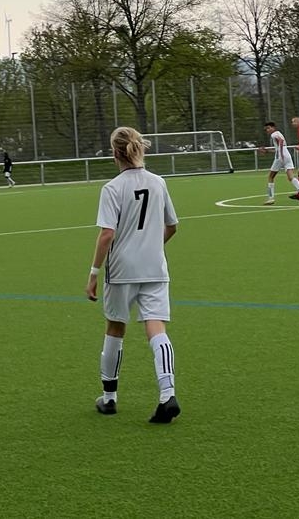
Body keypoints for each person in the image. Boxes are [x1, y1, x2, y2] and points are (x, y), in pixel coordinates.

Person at [85, 126, 180, 424]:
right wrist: (151, 247)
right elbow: (172, 226)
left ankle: (109, 398)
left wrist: (93, 273)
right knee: (156, 327)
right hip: (154, 266)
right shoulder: (158, 182)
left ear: (115, 153)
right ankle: (168, 394)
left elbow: (106, 235)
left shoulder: (112, 188)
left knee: (115, 326)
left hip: (122, 269)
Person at [259, 122, 299, 205]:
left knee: (270, 177)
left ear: (273, 127)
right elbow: (279, 147)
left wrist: (280, 154)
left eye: (269, 128)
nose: (267, 130)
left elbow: (280, 142)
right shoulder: (279, 133)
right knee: (291, 177)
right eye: (266, 129)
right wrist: (268, 151)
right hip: (287, 154)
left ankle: (271, 198)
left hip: (280, 157)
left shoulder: (274, 134)